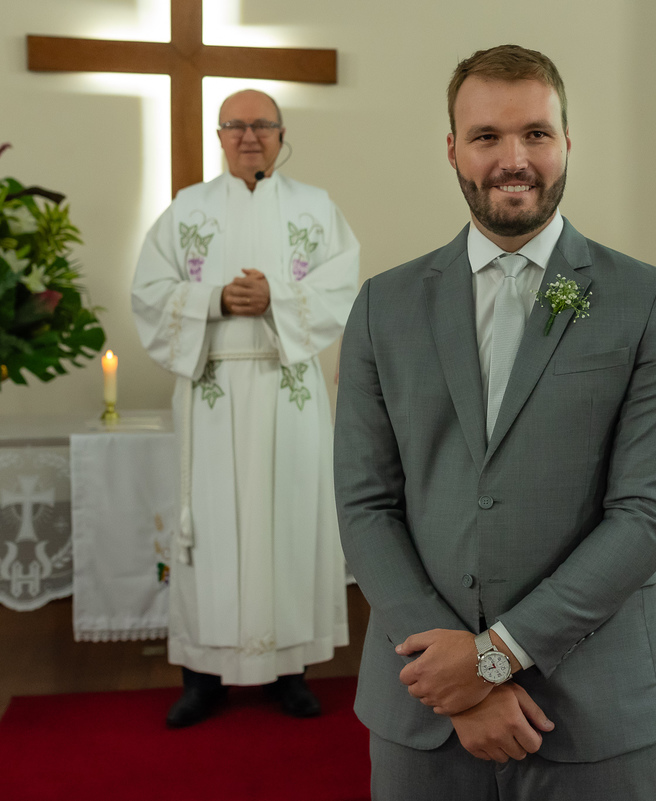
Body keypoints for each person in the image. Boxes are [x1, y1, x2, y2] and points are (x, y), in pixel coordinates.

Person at [333, 45, 656, 799]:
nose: (513, 158)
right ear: (453, 150)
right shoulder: (384, 306)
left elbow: (647, 513)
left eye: (535, 133)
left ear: (567, 142)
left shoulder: (647, 300)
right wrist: (452, 676)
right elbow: (366, 504)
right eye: (487, 136)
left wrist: (494, 656)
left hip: (592, 709)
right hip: (423, 704)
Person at [131, 89, 360, 728]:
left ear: (283, 135)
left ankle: (292, 671)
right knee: (208, 528)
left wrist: (276, 297)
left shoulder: (316, 209)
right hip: (213, 388)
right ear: (219, 134)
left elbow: (344, 285)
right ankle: (202, 676)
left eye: (262, 124)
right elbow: (148, 290)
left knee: (290, 521)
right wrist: (214, 299)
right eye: (236, 125)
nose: (249, 135)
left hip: (287, 388)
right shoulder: (188, 209)